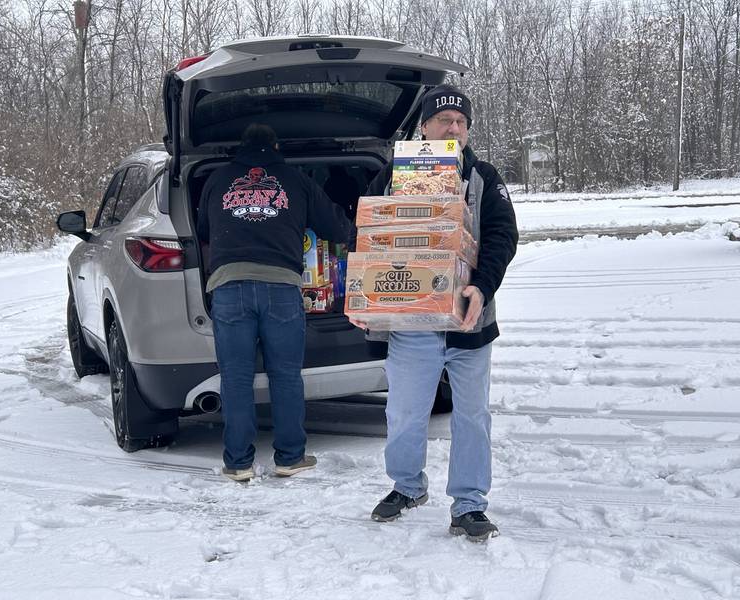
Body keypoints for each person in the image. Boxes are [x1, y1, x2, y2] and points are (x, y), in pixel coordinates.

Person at [350, 85, 518, 542]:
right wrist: (365, 299)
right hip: (412, 325)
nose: (454, 127)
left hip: (469, 325)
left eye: (461, 122)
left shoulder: (484, 176)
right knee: (404, 414)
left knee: (471, 417)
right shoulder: (392, 176)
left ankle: (468, 503)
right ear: (424, 127)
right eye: (444, 120)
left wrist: (482, 288)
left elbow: (503, 236)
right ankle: (407, 487)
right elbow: (367, 236)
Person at [198, 124, 351, 483]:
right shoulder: (294, 179)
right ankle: (290, 457)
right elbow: (336, 228)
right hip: (281, 287)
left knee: (235, 377)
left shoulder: (218, 180)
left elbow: (203, 229)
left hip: (229, 286)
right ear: (276, 145)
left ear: (240, 148)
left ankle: (238, 463)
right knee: (285, 375)